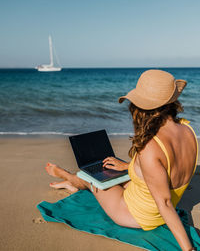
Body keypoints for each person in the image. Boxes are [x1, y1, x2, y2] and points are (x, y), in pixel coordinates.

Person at [45, 69, 198, 251]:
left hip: (134, 215)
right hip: (154, 199)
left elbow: (164, 204)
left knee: (92, 178)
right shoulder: (188, 130)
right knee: (110, 173)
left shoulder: (150, 148)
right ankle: (72, 183)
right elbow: (164, 168)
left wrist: (188, 249)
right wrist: (128, 166)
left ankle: (70, 178)